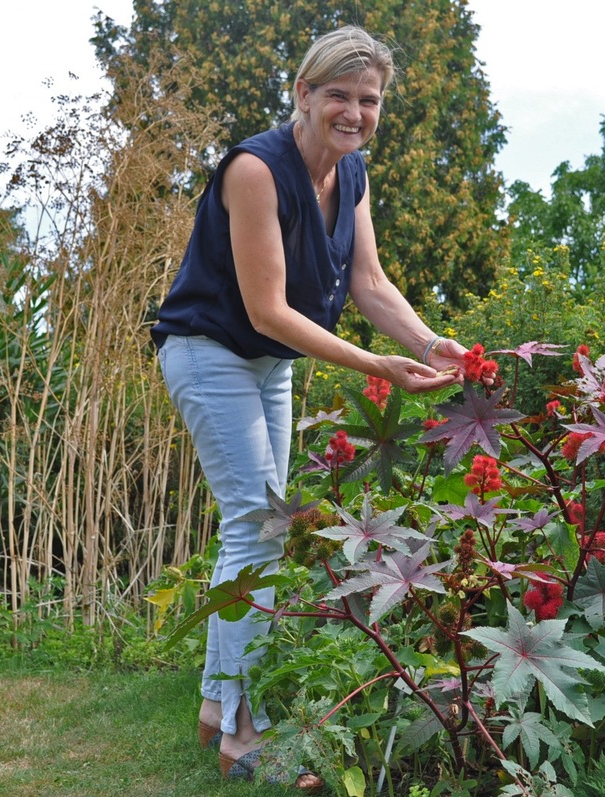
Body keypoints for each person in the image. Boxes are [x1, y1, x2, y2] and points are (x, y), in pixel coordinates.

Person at [152, 25, 476, 788]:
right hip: (208, 349)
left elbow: (368, 282)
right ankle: (242, 730)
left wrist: (431, 345)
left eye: (369, 100)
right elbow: (267, 308)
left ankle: (212, 704)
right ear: (302, 93)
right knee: (260, 525)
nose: (355, 113)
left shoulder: (352, 174)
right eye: (339, 95)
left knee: (259, 526)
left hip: (268, 362)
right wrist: (374, 364)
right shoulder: (256, 171)